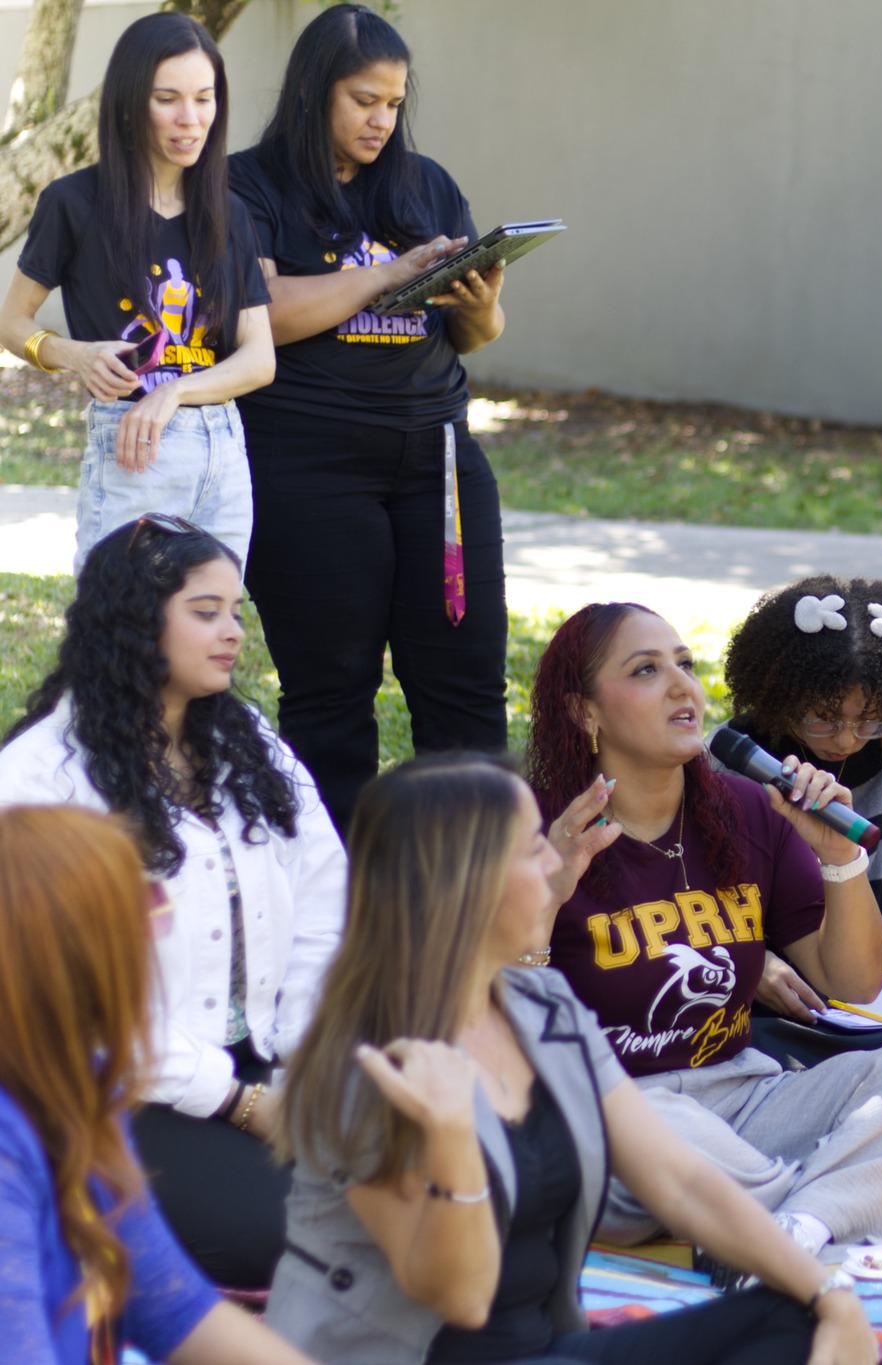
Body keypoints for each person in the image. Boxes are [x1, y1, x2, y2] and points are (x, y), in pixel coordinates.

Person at [268, 756, 876, 1365]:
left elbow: (680, 1181)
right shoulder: (367, 1059)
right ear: (461, 884)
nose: (555, 864)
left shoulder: (541, 1006)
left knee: (795, 1318)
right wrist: (451, 1141)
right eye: (531, 850)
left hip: (549, 1347)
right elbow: (462, 1298)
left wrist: (828, 1294)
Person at [527, 603, 882, 1260]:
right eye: (646, 670)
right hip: (617, 1110)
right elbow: (483, 1020)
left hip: (745, 1096)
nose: (681, 686)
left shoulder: (747, 811)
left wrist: (840, 858)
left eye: (685, 664)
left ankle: (797, 1227)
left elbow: (854, 983)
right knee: (647, 1126)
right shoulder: (537, 831)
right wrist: (543, 899)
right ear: (585, 711)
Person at [0, 516, 347, 1290]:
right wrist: (240, 1102)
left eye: (236, 612)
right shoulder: (41, 780)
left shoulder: (246, 741)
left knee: (418, 1165)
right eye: (205, 611)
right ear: (134, 620)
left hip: (266, 1059)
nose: (233, 633)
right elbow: (74, 1001)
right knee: (294, 1232)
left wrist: (302, 1059)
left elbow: (325, 896)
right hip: (121, 1089)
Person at [228, 3, 510, 834]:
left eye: (394, 102)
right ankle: (334, 896)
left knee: (466, 691)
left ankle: (474, 886)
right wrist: (388, 274)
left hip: (441, 463)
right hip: (310, 465)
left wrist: (480, 301)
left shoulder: (426, 185)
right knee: (331, 694)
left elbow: (476, 336)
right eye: (363, 101)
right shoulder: (247, 185)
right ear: (312, 91)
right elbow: (263, 311)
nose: (382, 120)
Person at [0, 804, 320, 1365]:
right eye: (139, 922)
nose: (154, 949)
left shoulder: (82, 1085)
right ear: (63, 960)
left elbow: (172, 1305)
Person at [0, 12, 274, 573]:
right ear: (129, 103)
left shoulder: (229, 213)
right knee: (121, 624)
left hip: (222, 454)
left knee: (210, 625)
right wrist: (75, 355)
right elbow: (11, 322)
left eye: (204, 99)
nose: (190, 119)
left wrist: (173, 393)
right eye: (167, 99)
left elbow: (259, 358)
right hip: (132, 452)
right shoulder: (74, 202)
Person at [718, 576, 882, 1065]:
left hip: (864, 997)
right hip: (755, 996)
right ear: (781, 695)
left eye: (871, 720)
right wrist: (751, 964)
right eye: (823, 718)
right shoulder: (732, 760)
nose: (846, 740)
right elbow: (690, 899)